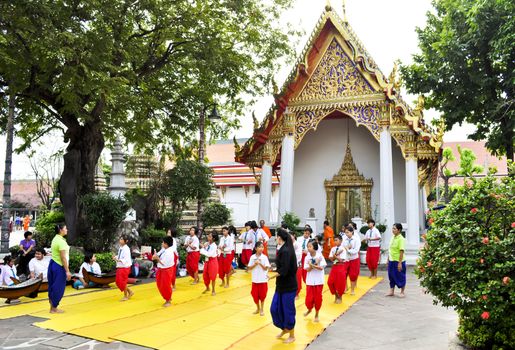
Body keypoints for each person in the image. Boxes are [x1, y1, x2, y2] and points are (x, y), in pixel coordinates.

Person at [270, 228, 297, 344]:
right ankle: (285, 328)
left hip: (288, 286)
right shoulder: (282, 249)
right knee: (275, 308)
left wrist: (273, 275)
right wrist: (274, 269)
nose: (276, 238)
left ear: (279, 238)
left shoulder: (286, 251)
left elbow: (285, 270)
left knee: (288, 310)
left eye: (276, 236)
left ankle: (292, 334)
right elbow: (281, 266)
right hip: (281, 285)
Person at [48, 224, 71, 313]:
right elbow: (63, 257)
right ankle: (54, 308)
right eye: (65, 228)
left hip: (53, 263)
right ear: (61, 230)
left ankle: (52, 307)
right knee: (58, 287)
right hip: (59, 266)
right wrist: (67, 271)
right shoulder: (61, 241)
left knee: (52, 286)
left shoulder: (55, 239)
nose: (67, 230)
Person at [303, 240, 326, 322]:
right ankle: (309, 309)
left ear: (315, 247)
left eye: (310, 246)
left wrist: (312, 264)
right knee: (308, 299)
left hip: (319, 281)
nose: (308, 248)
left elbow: (321, 268)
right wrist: (315, 264)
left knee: (318, 298)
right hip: (310, 281)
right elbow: (308, 270)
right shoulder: (307, 257)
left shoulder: (320, 256)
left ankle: (317, 314)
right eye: (308, 246)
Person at [248, 241, 270, 316]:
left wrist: (260, 263)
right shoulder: (252, 257)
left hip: (263, 280)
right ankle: (257, 308)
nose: (261, 248)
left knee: (263, 295)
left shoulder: (264, 257)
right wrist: (255, 264)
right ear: (256, 248)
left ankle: (262, 309)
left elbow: (265, 268)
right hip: (255, 280)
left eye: (262, 247)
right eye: (259, 247)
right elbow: (249, 268)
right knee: (255, 295)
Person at [386, 223, 406, 298]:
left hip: (398, 261)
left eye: (394, 229)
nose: (393, 230)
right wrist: (388, 259)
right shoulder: (392, 237)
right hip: (391, 260)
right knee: (391, 276)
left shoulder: (401, 239)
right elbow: (390, 249)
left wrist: (400, 263)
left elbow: (401, 251)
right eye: (392, 228)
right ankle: (391, 291)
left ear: (399, 230)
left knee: (401, 276)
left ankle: (402, 291)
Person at [154, 236, 175, 307]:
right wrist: (155, 256)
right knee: (160, 284)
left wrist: (157, 259)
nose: (162, 243)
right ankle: (167, 297)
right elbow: (159, 254)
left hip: (166, 270)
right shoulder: (164, 249)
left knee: (165, 285)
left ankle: (168, 299)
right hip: (161, 269)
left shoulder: (169, 252)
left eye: (163, 242)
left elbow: (164, 263)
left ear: (166, 244)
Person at [113, 235, 134, 301]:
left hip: (124, 267)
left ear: (126, 241)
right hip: (120, 266)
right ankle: (130, 291)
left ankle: (125, 295)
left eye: (122, 239)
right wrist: (115, 257)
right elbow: (119, 256)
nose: (120, 240)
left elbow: (126, 258)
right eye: (120, 239)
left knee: (122, 281)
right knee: (118, 281)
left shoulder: (126, 248)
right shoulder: (121, 248)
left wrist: (119, 260)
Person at [327, 235, 347, 304]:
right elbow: (330, 258)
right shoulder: (333, 248)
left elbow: (342, 260)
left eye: (336, 240)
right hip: (334, 266)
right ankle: (336, 295)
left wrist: (336, 257)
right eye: (334, 240)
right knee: (330, 282)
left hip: (341, 266)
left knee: (340, 282)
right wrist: (335, 256)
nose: (335, 242)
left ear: (341, 241)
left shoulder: (343, 249)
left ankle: (340, 297)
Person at [342, 226, 360, 295]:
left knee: (353, 274)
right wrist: (346, 249)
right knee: (344, 273)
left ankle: (352, 290)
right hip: (346, 259)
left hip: (353, 259)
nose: (346, 234)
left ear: (352, 232)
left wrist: (348, 250)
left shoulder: (356, 239)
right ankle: (345, 287)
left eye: (348, 232)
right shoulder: (344, 239)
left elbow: (356, 250)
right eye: (345, 232)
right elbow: (342, 247)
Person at [200, 231, 219, 296]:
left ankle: (213, 290)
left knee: (213, 276)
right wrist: (203, 246)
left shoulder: (214, 246)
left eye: (210, 236)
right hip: (207, 261)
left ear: (213, 238)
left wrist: (202, 250)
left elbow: (209, 254)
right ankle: (207, 287)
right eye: (208, 236)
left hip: (212, 261)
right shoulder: (207, 243)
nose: (208, 237)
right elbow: (205, 249)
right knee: (205, 275)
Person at [290, 232, 302, 299]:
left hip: (296, 264)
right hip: (289, 264)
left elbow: (299, 255)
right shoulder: (287, 244)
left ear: (294, 236)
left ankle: (297, 293)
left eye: (291, 236)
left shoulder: (297, 244)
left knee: (297, 279)